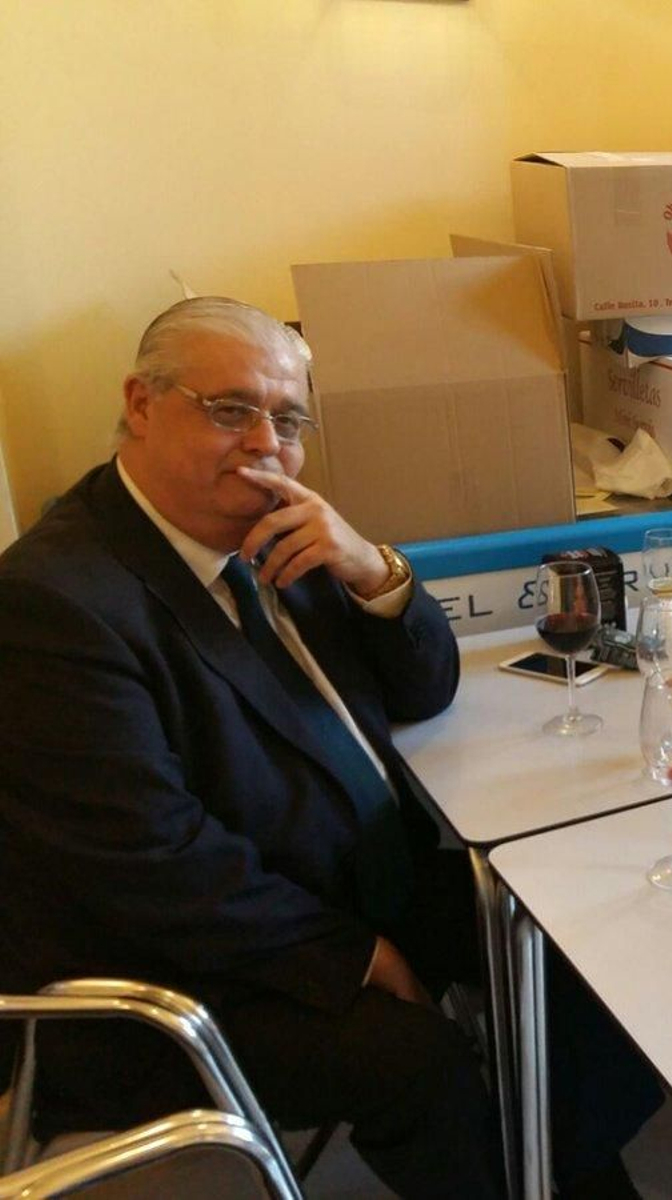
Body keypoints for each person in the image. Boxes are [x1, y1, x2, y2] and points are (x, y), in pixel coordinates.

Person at [0, 298, 499, 1196]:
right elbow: (151, 862)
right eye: (230, 409)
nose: (266, 442)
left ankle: (562, 1162)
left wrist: (372, 570)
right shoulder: (54, 602)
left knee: (552, 923)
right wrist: (351, 954)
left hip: (337, 877)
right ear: (141, 405)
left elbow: (425, 687)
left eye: (289, 418)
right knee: (415, 1062)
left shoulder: (273, 531)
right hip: (180, 967)